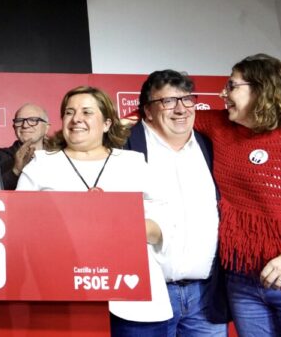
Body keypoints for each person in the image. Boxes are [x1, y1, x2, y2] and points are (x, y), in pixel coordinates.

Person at [16, 86, 173, 335]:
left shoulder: (133, 163)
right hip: (63, 299)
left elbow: (164, 227)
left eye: (87, 112)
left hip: (135, 305)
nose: (76, 118)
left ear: (107, 123)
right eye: (69, 112)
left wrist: (113, 223)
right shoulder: (40, 166)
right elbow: (20, 231)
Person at [191, 53, 281, 336]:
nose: (222, 93)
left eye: (231, 85)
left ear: (262, 89)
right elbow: (165, 114)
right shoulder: (220, 127)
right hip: (241, 282)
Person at [0, 103, 50, 190]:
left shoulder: (59, 157)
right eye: (19, 121)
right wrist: (15, 171)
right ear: (14, 127)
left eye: (33, 120)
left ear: (46, 128)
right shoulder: (0, 158)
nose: (25, 125)